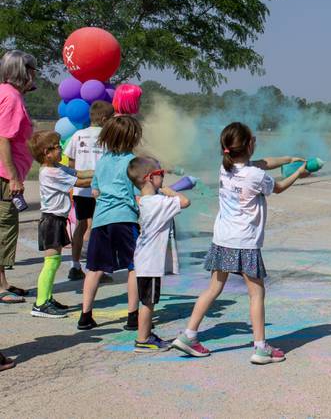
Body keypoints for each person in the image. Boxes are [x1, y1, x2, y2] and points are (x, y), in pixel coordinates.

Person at [172, 122, 306, 364]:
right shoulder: (256, 176)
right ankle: (261, 347)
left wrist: (288, 159)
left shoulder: (226, 168)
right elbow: (280, 186)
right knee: (256, 293)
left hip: (222, 238)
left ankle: (189, 334)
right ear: (249, 144)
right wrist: (299, 171)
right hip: (245, 241)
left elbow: (263, 163)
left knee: (213, 288)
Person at [78, 115, 143, 331]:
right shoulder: (133, 162)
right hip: (125, 218)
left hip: (101, 219)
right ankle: (133, 316)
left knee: (94, 268)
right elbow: (138, 194)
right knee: (134, 267)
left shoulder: (103, 160)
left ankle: (85, 316)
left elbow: (95, 190)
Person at [27, 130, 94, 317]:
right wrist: (101, 179)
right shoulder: (50, 172)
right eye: (57, 147)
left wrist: (101, 170)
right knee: (51, 262)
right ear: (46, 153)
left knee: (53, 262)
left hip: (57, 220)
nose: (60, 149)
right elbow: (80, 183)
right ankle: (41, 304)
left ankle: (46, 298)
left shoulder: (57, 167)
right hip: (51, 221)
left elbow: (80, 172)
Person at [128, 157, 190, 352]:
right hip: (150, 261)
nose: (163, 177)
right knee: (148, 302)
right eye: (160, 174)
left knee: (148, 300)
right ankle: (143, 339)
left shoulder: (146, 200)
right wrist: (169, 190)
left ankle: (145, 335)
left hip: (144, 258)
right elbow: (184, 201)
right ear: (149, 178)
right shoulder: (158, 202)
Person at [0, 50, 36, 304]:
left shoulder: (5, 93)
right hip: (4, 175)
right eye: (33, 69)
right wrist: (13, 176)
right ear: (24, 71)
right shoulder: (11, 98)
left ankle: (2, 282)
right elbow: (3, 138)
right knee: (3, 229)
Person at [64, 100, 115, 281]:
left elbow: (70, 164)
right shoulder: (109, 137)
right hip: (102, 191)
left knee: (81, 225)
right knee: (102, 228)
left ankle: (75, 265)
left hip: (81, 191)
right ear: (103, 119)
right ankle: (99, 269)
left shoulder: (77, 135)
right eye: (110, 118)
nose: (112, 122)